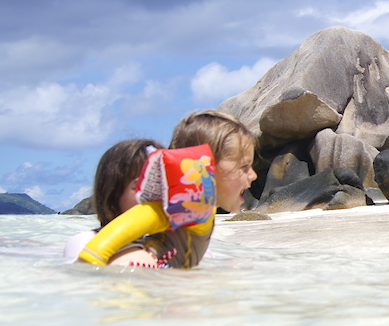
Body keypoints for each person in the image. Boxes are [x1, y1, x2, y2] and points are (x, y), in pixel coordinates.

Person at [80, 110, 257, 269]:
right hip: (140, 274)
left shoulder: (195, 208)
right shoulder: (185, 207)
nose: (253, 175)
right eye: (243, 166)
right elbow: (142, 217)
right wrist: (89, 261)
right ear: (205, 167)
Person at [62, 138, 163, 260]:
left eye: (163, 186)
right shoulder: (85, 242)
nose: (157, 195)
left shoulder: (180, 243)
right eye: (143, 187)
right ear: (113, 196)